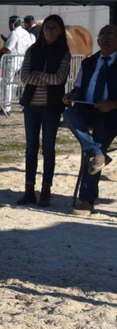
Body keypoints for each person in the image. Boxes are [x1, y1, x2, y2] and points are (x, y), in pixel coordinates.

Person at [17, 15, 71, 207]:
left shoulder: (64, 52)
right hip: (31, 105)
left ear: (60, 31)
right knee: (30, 148)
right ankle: (29, 189)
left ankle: (46, 189)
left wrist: (37, 76)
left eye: (54, 28)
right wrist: (45, 77)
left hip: (52, 107)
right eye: (47, 27)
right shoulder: (32, 50)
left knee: (48, 148)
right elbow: (24, 76)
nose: (49, 31)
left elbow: (59, 78)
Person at [63, 24, 117, 215]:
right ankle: (98, 153)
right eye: (102, 35)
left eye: (111, 34)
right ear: (98, 41)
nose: (106, 38)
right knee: (69, 114)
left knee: (96, 147)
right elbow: (78, 87)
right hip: (88, 109)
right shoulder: (89, 62)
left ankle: (86, 200)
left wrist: (112, 104)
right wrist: (71, 95)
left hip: (112, 114)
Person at [1, 16, 34, 115]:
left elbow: (8, 49)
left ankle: (7, 108)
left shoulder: (14, 33)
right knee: (23, 83)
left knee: (7, 83)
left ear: (12, 23)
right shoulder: (26, 33)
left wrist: (0, 50)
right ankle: (25, 102)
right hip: (24, 61)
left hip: (13, 61)